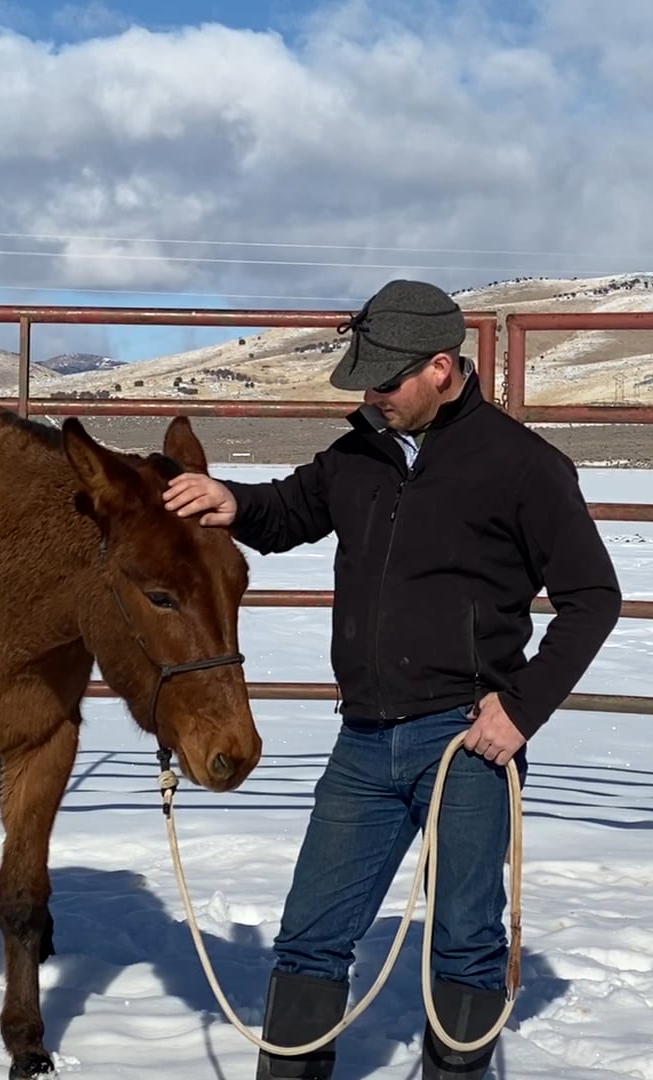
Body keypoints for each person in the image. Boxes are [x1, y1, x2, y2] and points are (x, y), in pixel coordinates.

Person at [162, 279, 624, 1079]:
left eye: (385, 379)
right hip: (364, 746)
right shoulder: (359, 454)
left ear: (442, 368)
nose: (370, 394)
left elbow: (594, 599)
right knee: (310, 935)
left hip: (469, 744)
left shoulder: (523, 467)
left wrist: (520, 711)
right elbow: (288, 513)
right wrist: (228, 499)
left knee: (466, 944)